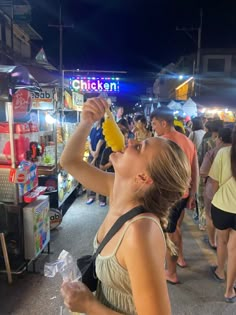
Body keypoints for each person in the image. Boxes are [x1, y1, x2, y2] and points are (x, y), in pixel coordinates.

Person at [60, 97, 190, 315]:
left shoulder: (141, 232)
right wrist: (87, 121)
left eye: (138, 147)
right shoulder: (117, 188)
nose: (129, 142)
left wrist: (88, 305)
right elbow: (70, 162)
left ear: (143, 177)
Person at [150, 107, 198, 284]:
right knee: (175, 228)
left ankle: (171, 272)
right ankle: (180, 258)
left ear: (164, 123)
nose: (154, 127)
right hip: (183, 193)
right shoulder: (187, 141)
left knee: (169, 233)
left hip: (166, 196)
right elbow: (195, 170)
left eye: (155, 124)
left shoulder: (160, 142)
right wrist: (192, 194)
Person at [208, 125, 236, 304]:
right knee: (234, 251)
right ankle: (229, 291)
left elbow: (215, 182)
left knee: (222, 242)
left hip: (221, 207)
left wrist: (219, 198)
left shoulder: (223, 153)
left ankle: (220, 270)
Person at [200, 128, 232, 250]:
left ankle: (213, 242)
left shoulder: (214, 152)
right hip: (231, 195)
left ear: (221, 138)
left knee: (210, 215)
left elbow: (203, 171)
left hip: (213, 191)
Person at [86, 118, 106, 205]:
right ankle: (91, 196)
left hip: (100, 156)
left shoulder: (103, 130)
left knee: (101, 177)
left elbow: (100, 143)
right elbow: (89, 142)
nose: (95, 119)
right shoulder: (93, 130)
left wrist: (95, 156)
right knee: (90, 177)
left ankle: (102, 199)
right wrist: (92, 152)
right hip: (92, 155)